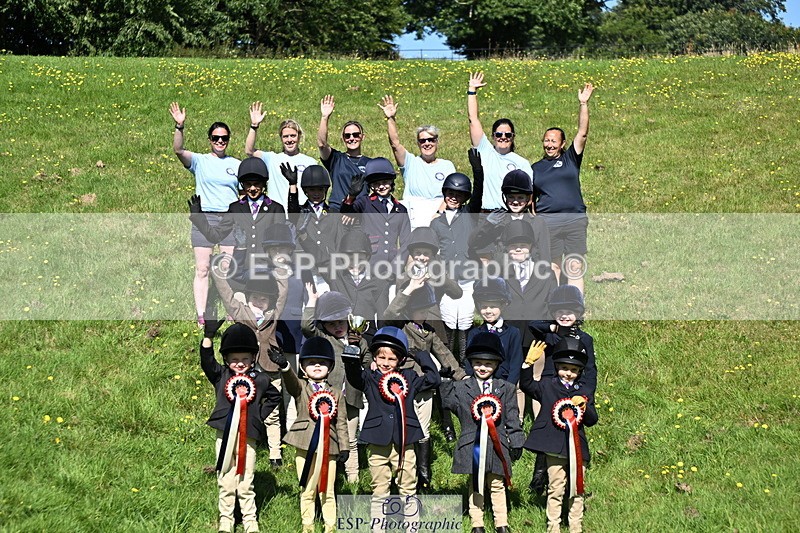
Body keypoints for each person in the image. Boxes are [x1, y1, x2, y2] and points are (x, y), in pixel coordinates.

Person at [342, 326, 440, 529]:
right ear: (375, 358)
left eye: (392, 359)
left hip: (406, 441)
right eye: (381, 357)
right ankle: (379, 526)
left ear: (401, 360)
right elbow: (353, 376)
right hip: (377, 440)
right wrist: (352, 348)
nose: (386, 363)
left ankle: (411, 525)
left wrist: (422, 356)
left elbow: (433, 379)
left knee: (408, 486)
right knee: (379, 487)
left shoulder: (410, 377)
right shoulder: (369, 378)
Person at [382, 276, 467, 491]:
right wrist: (409, 290)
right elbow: (389, 314)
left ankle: (424, 473)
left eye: (426, 308)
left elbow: (444, 353)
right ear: (409, 310)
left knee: (424, 429)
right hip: (403, 386)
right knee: (404, 427)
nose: (424, 313)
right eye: (420, 309)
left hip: (425, 387)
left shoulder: (428, 331)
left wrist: (461, 375)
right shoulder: (400, 326)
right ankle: (400, 471)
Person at [199, 321, 282, 533]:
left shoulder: (260, 379)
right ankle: (226, 519)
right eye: (234, 359)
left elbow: (275, 397)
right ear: (226, 359)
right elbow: (207, 362)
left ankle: (249, 520)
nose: (240, 363)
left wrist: (259, 417)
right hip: (224, 433)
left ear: (253, 357)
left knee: (246, 479)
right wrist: (208, 336)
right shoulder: (221, 375)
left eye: (245, 358)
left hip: (249, 436)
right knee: (226, 477)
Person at [440, 332, 524, 533]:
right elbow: (447, 403)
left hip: (497, 445)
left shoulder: (506, 388)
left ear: (496, 365)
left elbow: (512, 417)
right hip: (472, 445)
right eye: (477, 363)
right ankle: (477, 523)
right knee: (475, 485)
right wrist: (443, 381)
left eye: (488, 364)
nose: (482, 367)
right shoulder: (461, 388)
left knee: (497, 484)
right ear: (470, 363)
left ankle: (501, 523)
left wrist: (517, 440)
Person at [268, 338, 348, 533]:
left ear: (330, 367)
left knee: (328, 488)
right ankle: (308, 524)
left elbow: (342, 422)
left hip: (330, 445)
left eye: (322, 362)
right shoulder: (301, 388)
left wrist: (345, 447)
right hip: (304, 443)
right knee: (308, 486)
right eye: (311, 362)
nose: (317, 365)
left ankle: (330, 525)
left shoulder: (336, 393)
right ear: (303, 368)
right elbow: (291, 383)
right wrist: (285, 367)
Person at [519, 337, 598, 533]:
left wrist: (585, 406)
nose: (568, 373)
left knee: (577, 488)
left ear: (579, 372)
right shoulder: (547, 385)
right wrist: (527, 364)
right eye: (564, 368)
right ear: (556, 367)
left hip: (578, 448)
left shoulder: (584, 390)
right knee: (556, 487)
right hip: (553, 446)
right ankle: (553, 526)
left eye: (573, 370)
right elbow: (527, 385)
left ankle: (575, 526)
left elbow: (592, 419)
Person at [170, 102, 239, 326]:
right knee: (203, 268)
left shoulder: (236, 164)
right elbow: (178, 150)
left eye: (224, 138)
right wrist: (179, 127)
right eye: (216, 138)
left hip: (230, 219)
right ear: (209, 139)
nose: (220, 141)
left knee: (228, 266)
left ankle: (231, 308)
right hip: (204, 218)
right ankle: (201, 314)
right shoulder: (200, 161)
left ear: (228, 140)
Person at [301, 288, 370, 483]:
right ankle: (329, 473)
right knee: (328, 436)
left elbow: (368, 364)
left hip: (352, 398)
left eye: (341, 322)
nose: (338, 327)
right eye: (331, 323)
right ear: (323, 324)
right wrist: (312, 301)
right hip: (328, 399)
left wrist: (357, 349)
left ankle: (353, 478)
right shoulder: (324, 339)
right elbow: (306, 326)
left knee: (351, 439)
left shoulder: (360, 340)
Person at [532, 83, 595, 293]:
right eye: (546, 140)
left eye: (554, 141)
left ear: (562, 143)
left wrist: (583, 104)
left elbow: (583, 133)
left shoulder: (571, 159)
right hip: (549, 222)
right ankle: (554, 307)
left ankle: (576, 309)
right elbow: (530, 200)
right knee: (553, 266)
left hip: (574, 219)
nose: (549, 144)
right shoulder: (535, 168)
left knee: (575, 265)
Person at [189, 157, 286, 287]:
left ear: (263, 184)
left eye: (256, 184)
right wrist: (198, 217)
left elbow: (281, 242)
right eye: (247, 184)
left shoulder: (276, 208)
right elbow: (216, 235)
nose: (252, 188)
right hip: (241, 270)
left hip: (266, 270)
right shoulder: (235, 208)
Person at [378, 95, 456, 229]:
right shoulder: (410, 162)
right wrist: (391, 118)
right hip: (415, 215)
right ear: (418, 143)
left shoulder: (447, 166)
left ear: (437, 142)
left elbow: (452, 193)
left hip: (440, 214)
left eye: (431, 140)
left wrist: (439, 213)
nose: (427, 143)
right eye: (423, 140)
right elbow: (395, 144)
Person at [467, 72, 533, 212]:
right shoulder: (484, 150)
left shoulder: (521, 163)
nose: (503, 137)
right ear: (493, 136)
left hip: (508, 216)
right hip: (483, 215)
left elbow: (528, 195)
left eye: (508, 134)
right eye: (499, 134)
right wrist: (472, 90)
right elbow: (473, 119)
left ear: (513, 136)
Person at [467, 277, 524, 422]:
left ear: (503, 305)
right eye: (484, 307)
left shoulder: (513, 332)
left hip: (504, 384)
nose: (488, 311)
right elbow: (468, 361)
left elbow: (516, 362)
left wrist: (509, 388)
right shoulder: (475, 333)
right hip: (480, 386)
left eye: (492, 307)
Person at [340, 157, 411, 272]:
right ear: (371, 186)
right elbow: (346, 211)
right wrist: (351, 196)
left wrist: (395, 269)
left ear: (391, 182)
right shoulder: (365, 203)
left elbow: (406, 242)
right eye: (377, 184)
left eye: (385, 182)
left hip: (392, 265)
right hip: (370, 264)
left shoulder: (400, 209)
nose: (381, 186)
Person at [245, 102, 318, 213]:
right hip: (276, 213)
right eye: (285, 136)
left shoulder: (310, 162)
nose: (289, 140)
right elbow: (249, 151)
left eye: (293, 136)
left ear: (299, 137)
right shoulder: (272, 158)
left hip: (301, 214)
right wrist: (254, 126)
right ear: (281, 138)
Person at [317, 95, 372, 211]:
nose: (352, 138)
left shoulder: (370, 163)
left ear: (363, 137)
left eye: (356, 134)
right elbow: (322, 144)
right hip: (337, 212)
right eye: (347, 136)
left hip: (360, 213)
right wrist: (325, 117)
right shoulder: (336, 159)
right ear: (343, 138)